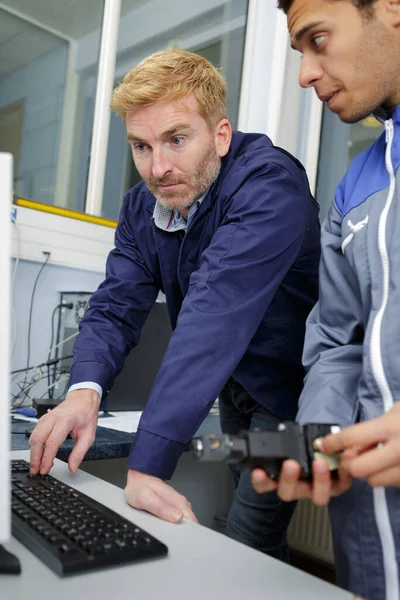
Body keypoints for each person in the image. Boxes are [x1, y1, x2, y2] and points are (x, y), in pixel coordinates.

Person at [28, 49, 320, 561]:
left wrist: (147, 466)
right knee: (246, 523)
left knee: (250, 537)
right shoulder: (145, 205)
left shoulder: (270, 186)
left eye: (176, 140)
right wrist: (83, 392)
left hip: (288, 390)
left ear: (221, 136)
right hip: (232, 386)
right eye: (141, 147)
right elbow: (116, 302)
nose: (157, 168)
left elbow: (213, 314)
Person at [252, 0, 400, 597]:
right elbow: (338, 343)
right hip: (364, 522)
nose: (305, 74)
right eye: (298, 52)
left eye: (318, 38)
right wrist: (320, 438)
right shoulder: (355, 185)